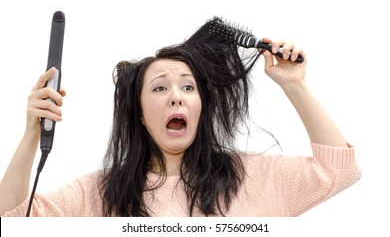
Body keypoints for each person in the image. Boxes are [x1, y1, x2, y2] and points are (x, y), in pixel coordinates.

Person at [0, 18, 361, 217]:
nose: (176, 95)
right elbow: (10, 220)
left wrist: (294, 85)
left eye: (188, 88)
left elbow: (339, 171)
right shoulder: (99, 195)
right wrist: (32, 133)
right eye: (159, 88)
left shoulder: (252, 178)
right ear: (139, 114)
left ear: (200, 107)